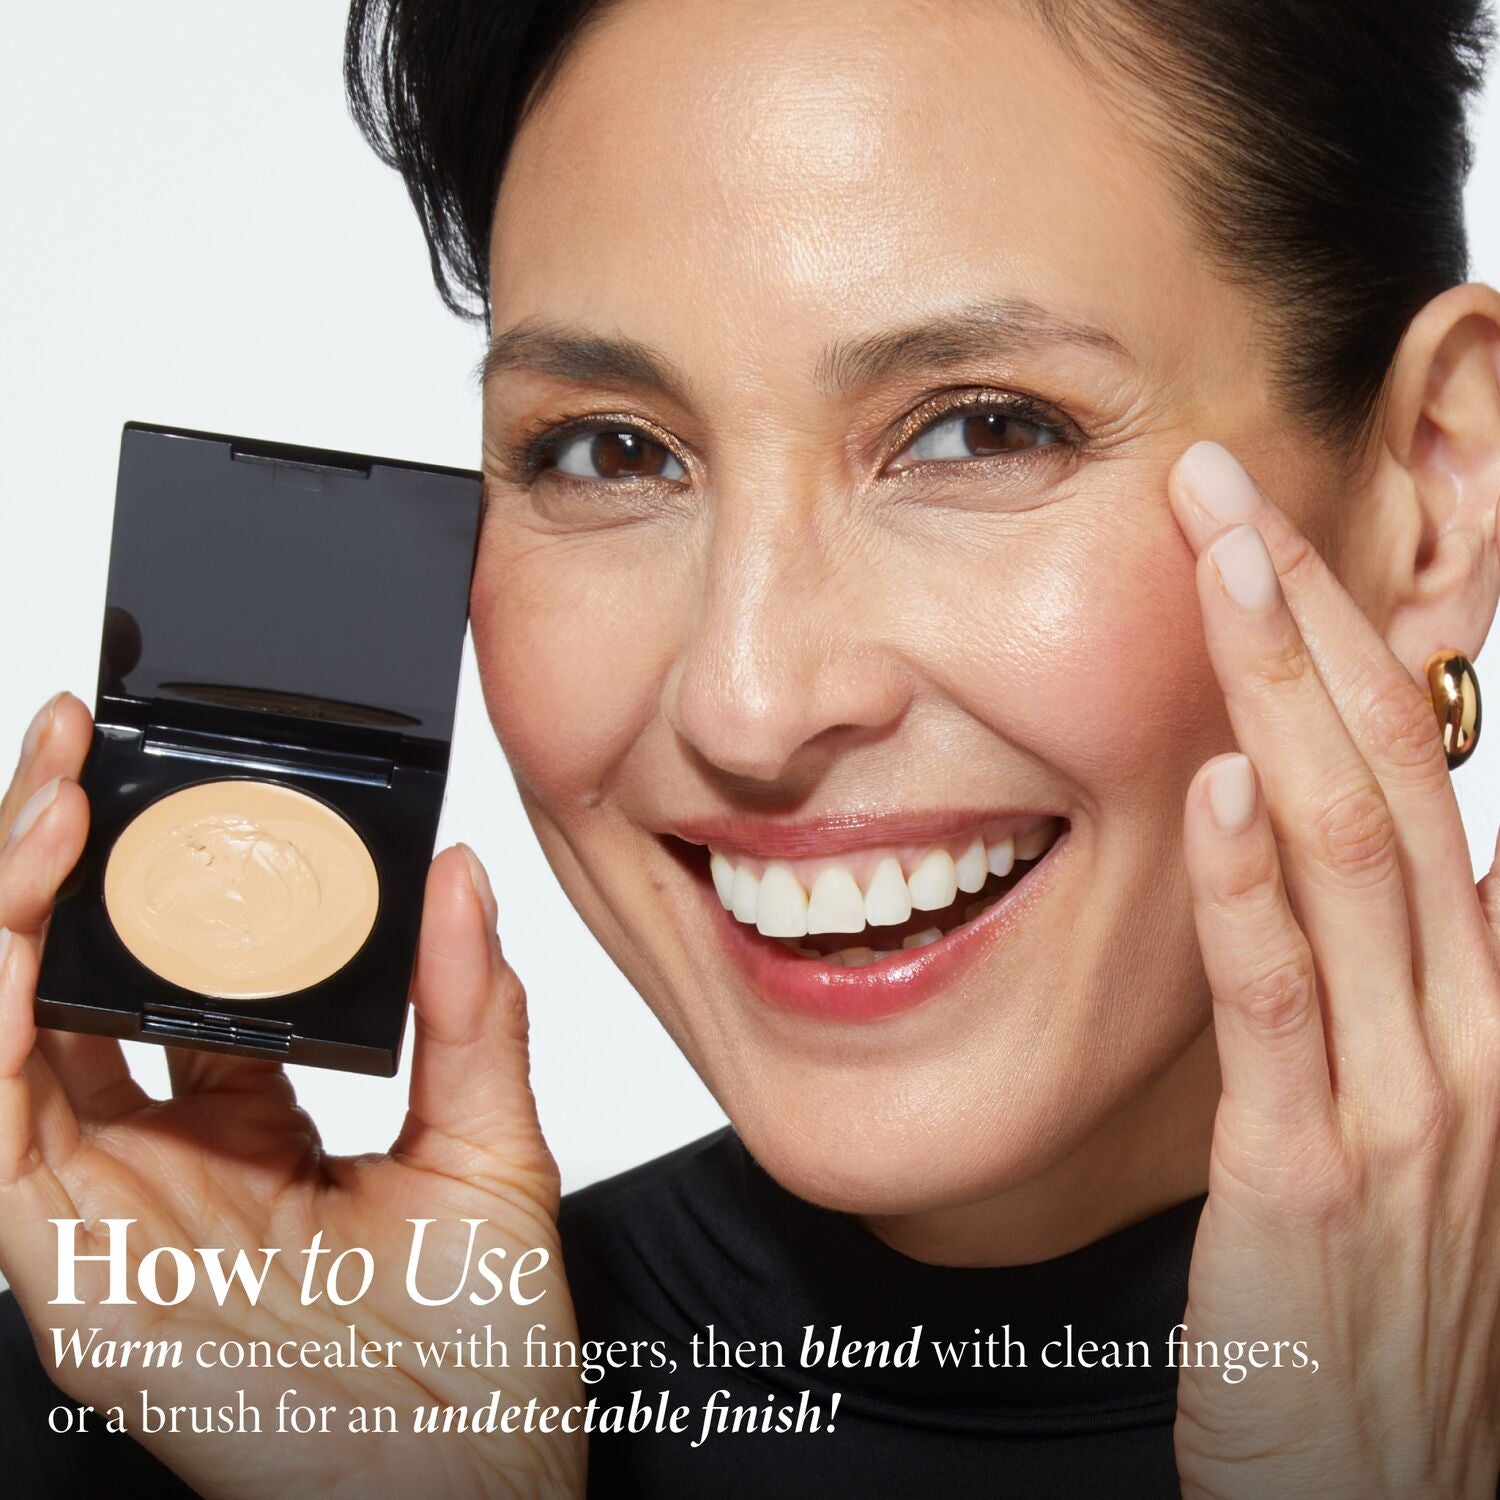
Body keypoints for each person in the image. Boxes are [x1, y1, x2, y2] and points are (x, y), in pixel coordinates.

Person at [3, 0, 1500, 1494]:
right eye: (611, 450)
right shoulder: (199, 1405)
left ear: (1434, 496)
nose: (748, 701)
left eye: (981, 431)